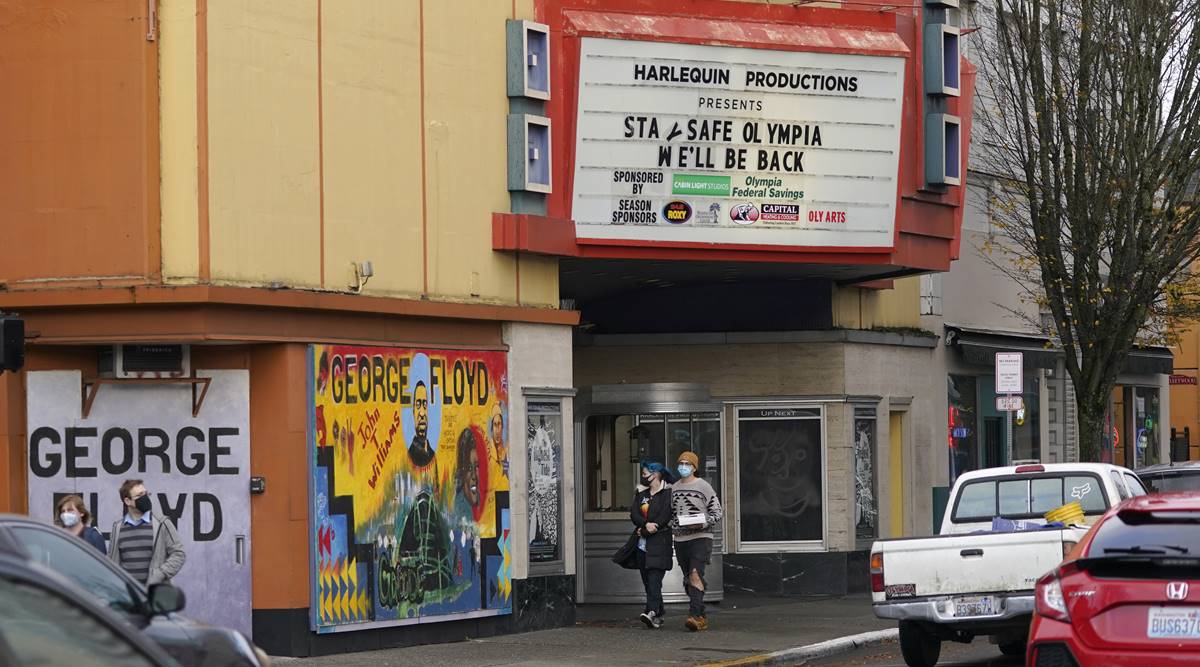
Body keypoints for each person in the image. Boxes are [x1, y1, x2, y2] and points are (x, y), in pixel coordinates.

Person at [669, 451, 722, 631]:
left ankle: (695, 615)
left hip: (701, 537)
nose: (683, 466)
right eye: (681, 463)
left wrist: (704, 522)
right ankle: (700, 611)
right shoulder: (674, 488)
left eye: (687, 463)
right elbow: (671, 514)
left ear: (694, 467)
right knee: (688, 578)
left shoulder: (703, 486)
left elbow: (717, 512)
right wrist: (673, 523)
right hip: (681, 538)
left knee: (695, 574)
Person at [108, 480, 186, 586]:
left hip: (155, 594)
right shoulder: (117, 528)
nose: (145, 498)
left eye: (146, 494)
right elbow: (112, 562)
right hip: (127, 596)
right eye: (140, 495)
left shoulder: (162, 523)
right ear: (127, 501)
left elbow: (179, 553)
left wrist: (159, 574)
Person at [631, 460, 674, 629]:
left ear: (655, 474)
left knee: (655, 579)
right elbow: (634, 513)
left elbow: (664, 518)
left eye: (644, 474)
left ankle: (651, 611)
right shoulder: (642, 495)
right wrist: (643, 525)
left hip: (660, 544)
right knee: (648, 582)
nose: (643, 477)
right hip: (642, 547)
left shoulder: (667, 494)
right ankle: (659, 612)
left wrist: (647, 529)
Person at [408, 381, 436, 468]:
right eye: (418, 405)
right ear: (413, 412)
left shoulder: (434, 457)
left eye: (424, 405)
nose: (422, 413)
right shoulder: (408, 456)